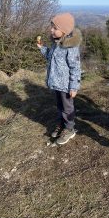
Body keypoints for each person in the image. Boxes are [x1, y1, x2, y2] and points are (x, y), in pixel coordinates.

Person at [37, 12, 82, 145]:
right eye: (52, 27)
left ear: (64, 31)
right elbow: (50, 57)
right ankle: (62, 125)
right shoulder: (55, 43)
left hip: (66, 85)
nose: (51, 30)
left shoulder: (71, 47)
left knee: (68, 108)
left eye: (55, 28)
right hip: (56, 83)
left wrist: (74, 86)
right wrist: (42, 48)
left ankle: (70, 129)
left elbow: (75, 68)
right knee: (60, 106)